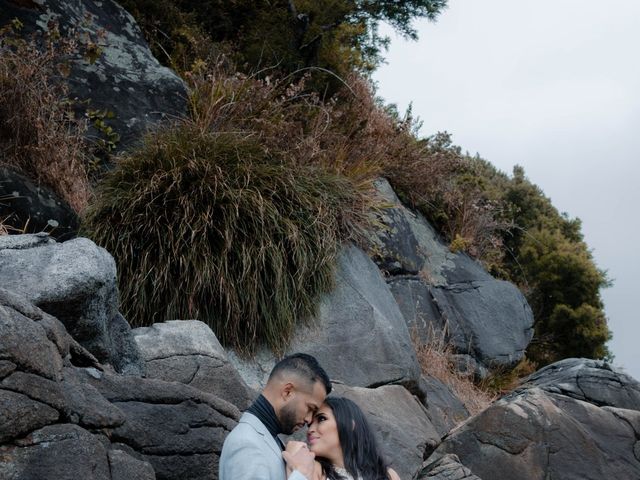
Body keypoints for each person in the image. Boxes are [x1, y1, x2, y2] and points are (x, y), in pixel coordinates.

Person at [219, 353, 332, 480]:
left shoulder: (267, 439)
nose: (309, 419)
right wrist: (301, 473)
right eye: (310, 408)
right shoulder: (246, 443)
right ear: (287, 392)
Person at [285, 397, 401, 480]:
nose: (310, 430)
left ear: (350, 425)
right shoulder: (314, 469)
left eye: (321, 419)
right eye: (310, 425)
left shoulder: (388, 475)